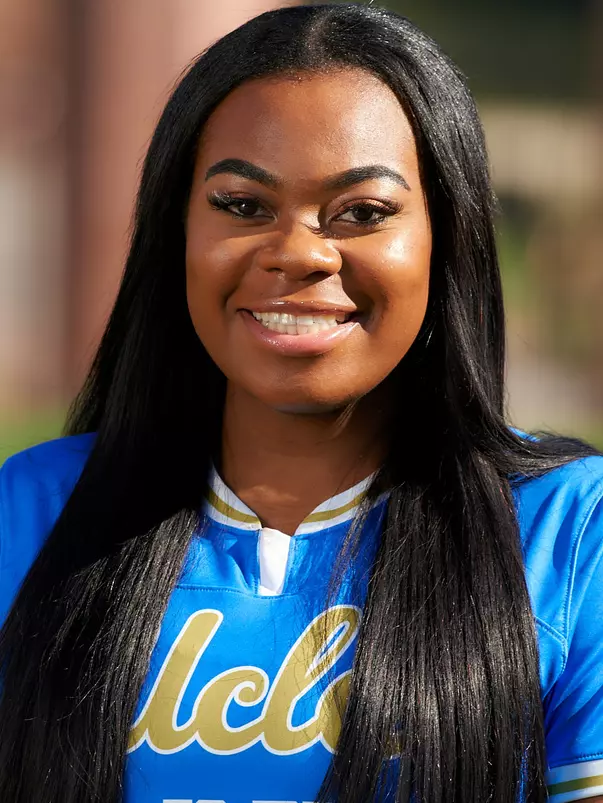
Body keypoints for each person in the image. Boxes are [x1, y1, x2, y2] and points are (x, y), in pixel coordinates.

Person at [0, 4, 602, 802]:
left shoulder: (566, 533)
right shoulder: (32, 511)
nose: (298, 253)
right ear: (174, 230)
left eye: (362, 213)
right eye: (243, 206)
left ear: (445, 238)